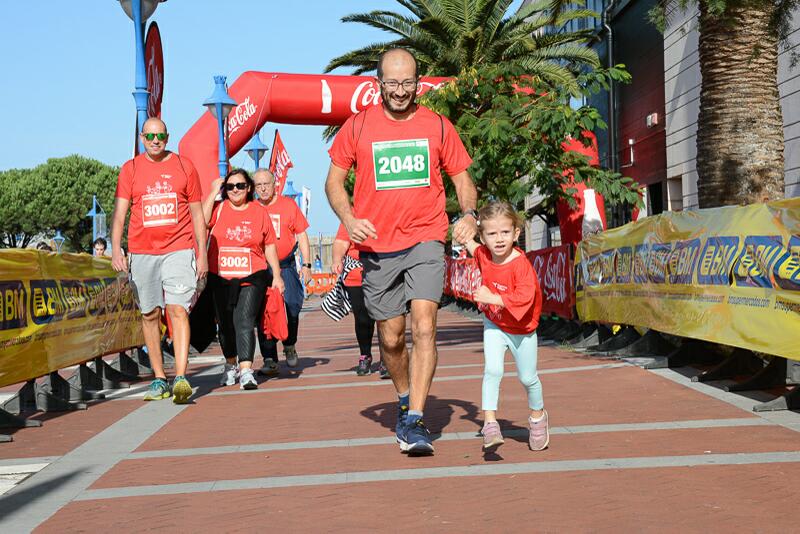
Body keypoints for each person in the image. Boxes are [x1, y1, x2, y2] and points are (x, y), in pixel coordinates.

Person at [325, 48, 478, 455]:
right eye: (392, 83)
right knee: (391, 339)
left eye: (407, 82)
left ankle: (414, 418)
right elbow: (334, 183)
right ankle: (403, 397)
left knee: (424, 324)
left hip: (426, 237)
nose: (399, 91)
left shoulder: (438, 126)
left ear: (418, 82)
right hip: (377, 245)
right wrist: (350, 218)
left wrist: (470, 214)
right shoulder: (356, 128)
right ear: (378, 84)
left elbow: (462, 178)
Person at [111, 117, 208, 404]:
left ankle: (180, 376)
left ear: (168, 137)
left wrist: (201, 255)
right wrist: (116, 248)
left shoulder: (183, 166)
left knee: (177, 310)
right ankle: (158, 378)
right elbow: (120, 214)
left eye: (161, 136)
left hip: (179, 248)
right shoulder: (130, 169)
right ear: (142, 138)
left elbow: (197, 215)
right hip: (142, 252)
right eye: (151, 136)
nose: (156, 141)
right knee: (150, 314)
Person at [460, 201, 547, 451]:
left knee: (528, 378)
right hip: (495, 324)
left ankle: (538, 416)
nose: (499, 239)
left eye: (505, 232)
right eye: (492, 233)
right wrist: (462, 232)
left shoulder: (521, 265)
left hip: (522, 329)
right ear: (483, 236)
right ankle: (490, 423)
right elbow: (473, 247)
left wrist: (492, 297)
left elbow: (524, 298)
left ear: (516, 233)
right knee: (493, 371)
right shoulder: (484, 255)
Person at [203, 169, 284, 390]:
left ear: (248, 188)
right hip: (221, 277)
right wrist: (212, 193)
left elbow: (269, 245)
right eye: (230, 187)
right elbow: (200, 221)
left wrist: (276, 275)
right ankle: (231, 365)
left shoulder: (259, 211)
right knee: (226, 326)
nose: (235, 190)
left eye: (239, 186)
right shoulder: (218, 210)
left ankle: (246, 370)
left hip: (252, 275)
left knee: (244, 321)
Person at [252, 169, 312, 375]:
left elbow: (302, 235)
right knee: (264, 313)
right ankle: (269, 358)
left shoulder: (288, 205)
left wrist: (307, 265)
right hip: (261, 268)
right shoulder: (251, 208)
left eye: (266, 184)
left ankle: (290, 343)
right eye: (258, 185)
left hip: (286, 265)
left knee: (293, 306)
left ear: (274, 184)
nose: (262, 188)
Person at [332, 223, 388, 378]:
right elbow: (341, 242)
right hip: (356, 273)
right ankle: (365, 355)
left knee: (384, 317)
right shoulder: (351, 215)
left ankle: (387, 358)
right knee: (362, 318)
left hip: (383, 270)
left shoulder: (385, 208)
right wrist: (337, 259)